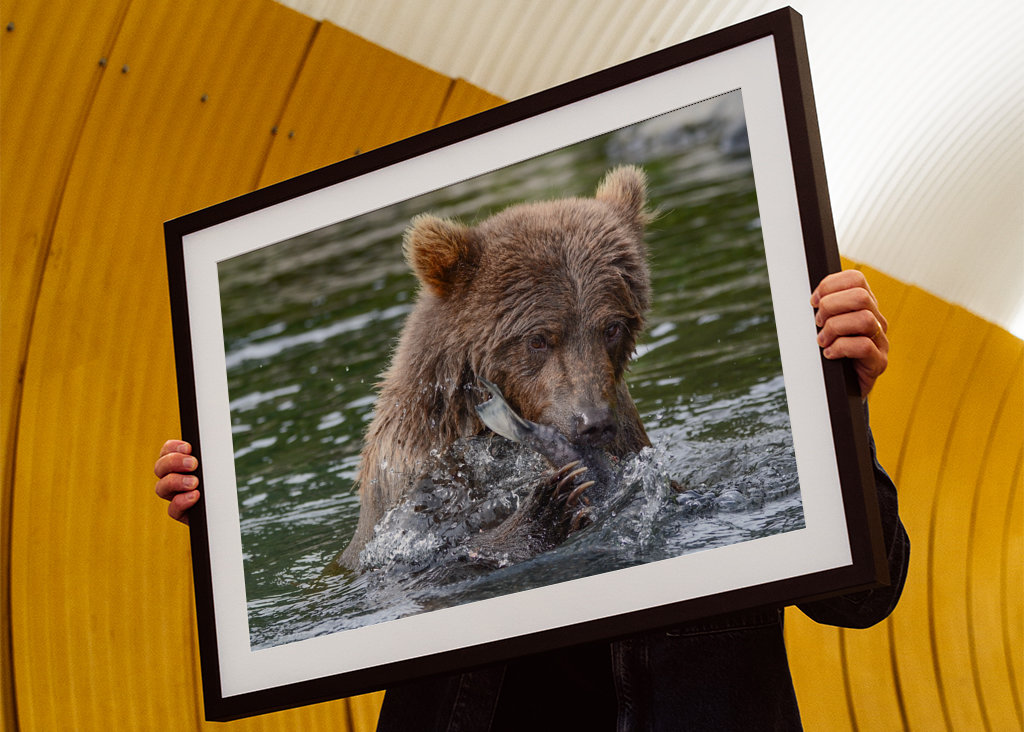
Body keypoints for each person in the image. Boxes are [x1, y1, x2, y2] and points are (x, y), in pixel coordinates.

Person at [155, 270, 908, 730]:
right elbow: (365, 597)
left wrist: (839, 408)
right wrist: (224, 530)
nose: (582, 390)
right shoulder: (430, 476)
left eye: (605, 337)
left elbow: (864, 598)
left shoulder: (665, 477)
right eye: (541, 348)